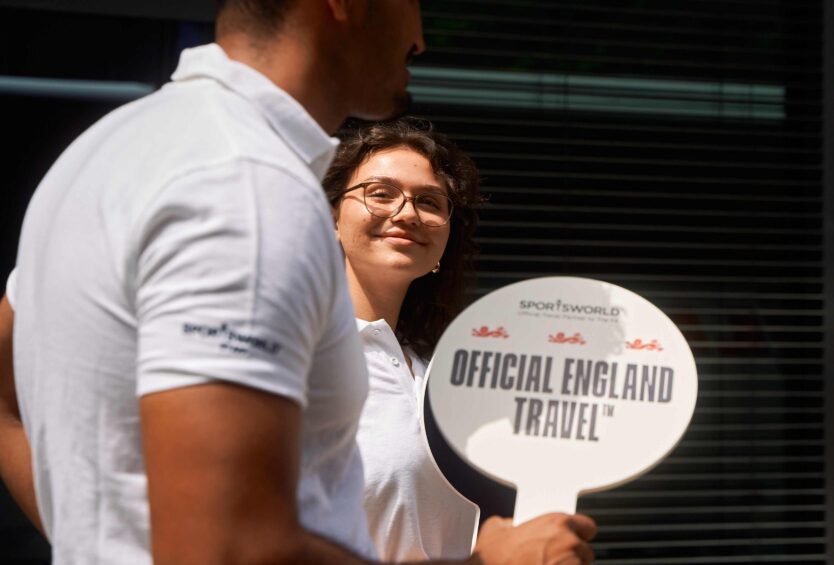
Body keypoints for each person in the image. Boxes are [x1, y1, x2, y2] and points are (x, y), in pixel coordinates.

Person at [0, 1, 595, 564]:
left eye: (431, 202)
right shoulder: (246, 183)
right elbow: (227, 548)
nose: (421, 36)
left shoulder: (110, 150)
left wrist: (95, 537)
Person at [323, 117, 484, 561]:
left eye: (430, 201)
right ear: (333, 214)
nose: (407, 212)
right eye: (380, 193)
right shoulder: (299, 360)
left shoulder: (445, 373)